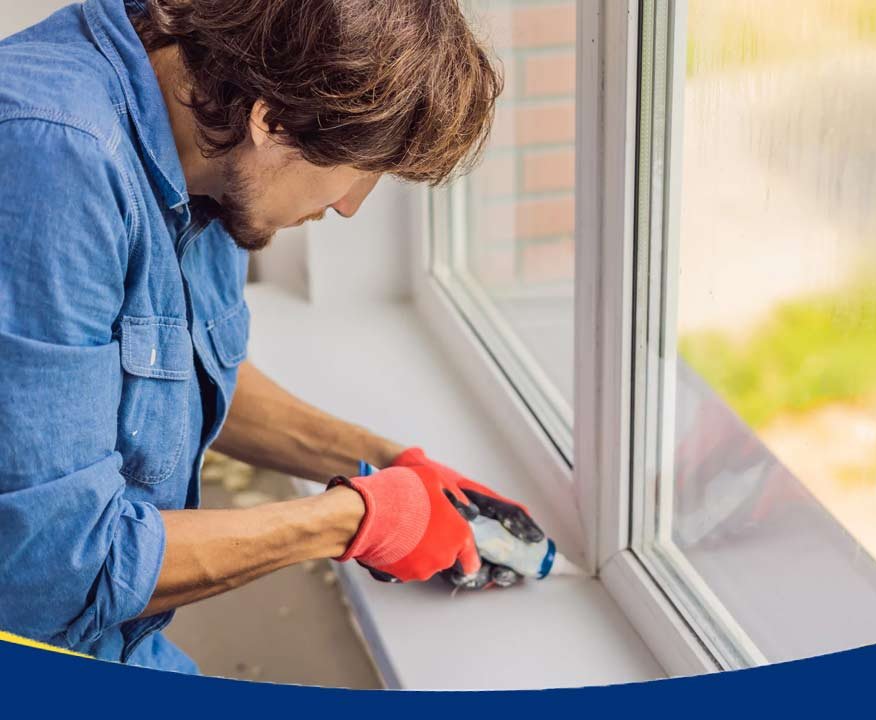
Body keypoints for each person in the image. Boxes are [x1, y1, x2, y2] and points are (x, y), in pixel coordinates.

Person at [0, 0, 536, 673]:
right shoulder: (50, 162)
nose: (349, 204)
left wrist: (390, 462)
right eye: (360, 169)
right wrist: (352, 521)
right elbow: (54, 571)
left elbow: (170, 370)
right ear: (273, 120)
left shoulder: (210, 136)